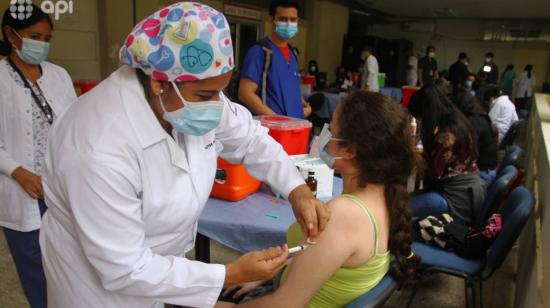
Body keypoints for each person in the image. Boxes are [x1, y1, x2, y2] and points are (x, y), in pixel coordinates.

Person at [39, 3, 329, 307]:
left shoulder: (186, 95)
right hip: (97, 287)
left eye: (221, 91)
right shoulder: (97, 146)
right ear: (158, 82)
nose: (217, 106)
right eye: (206, 96)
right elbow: (125, 268)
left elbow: (252, 139)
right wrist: (228, 274)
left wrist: (297, 190)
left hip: (159, 265)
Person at [218, 92, 420, 307]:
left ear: (351, 150)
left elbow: (284, 304)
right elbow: (324, 260)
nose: (325, 134)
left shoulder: (344, 214)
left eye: (331, 130)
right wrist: (271, 275)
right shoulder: (385, 194)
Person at [0, 5, 76, 307]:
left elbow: (74, 128)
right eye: (34, 36)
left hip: (61, 191)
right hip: (23, 194)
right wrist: (18, 171)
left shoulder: (59, 75)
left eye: (47, 38)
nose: (41, 44)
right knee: (37, 273)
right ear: (11, 35)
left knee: (71, 269)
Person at [408, 85, 486, 225]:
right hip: (468, 195)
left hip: (456, 201)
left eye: (419, 118)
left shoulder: (446, 135)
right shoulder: (458, 122)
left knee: (399, 209)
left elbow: (432, 173)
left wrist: (411, 155)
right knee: (406, 202)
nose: (419, 122)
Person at [238, 0, 311, 118]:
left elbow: (290, 88)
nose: (288, 24)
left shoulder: (293, 53)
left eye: (293, 20)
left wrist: (305, 105)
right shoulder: (260, 51)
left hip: (295, 127)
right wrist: (277, 120)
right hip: (272, 130)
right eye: (283, 19)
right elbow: (245, 94)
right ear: (271, 20)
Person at [453, 90, 498, 183]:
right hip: (487, 169)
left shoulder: (474, 122)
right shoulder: (480, 115)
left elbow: (467, 150)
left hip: (483, 173)